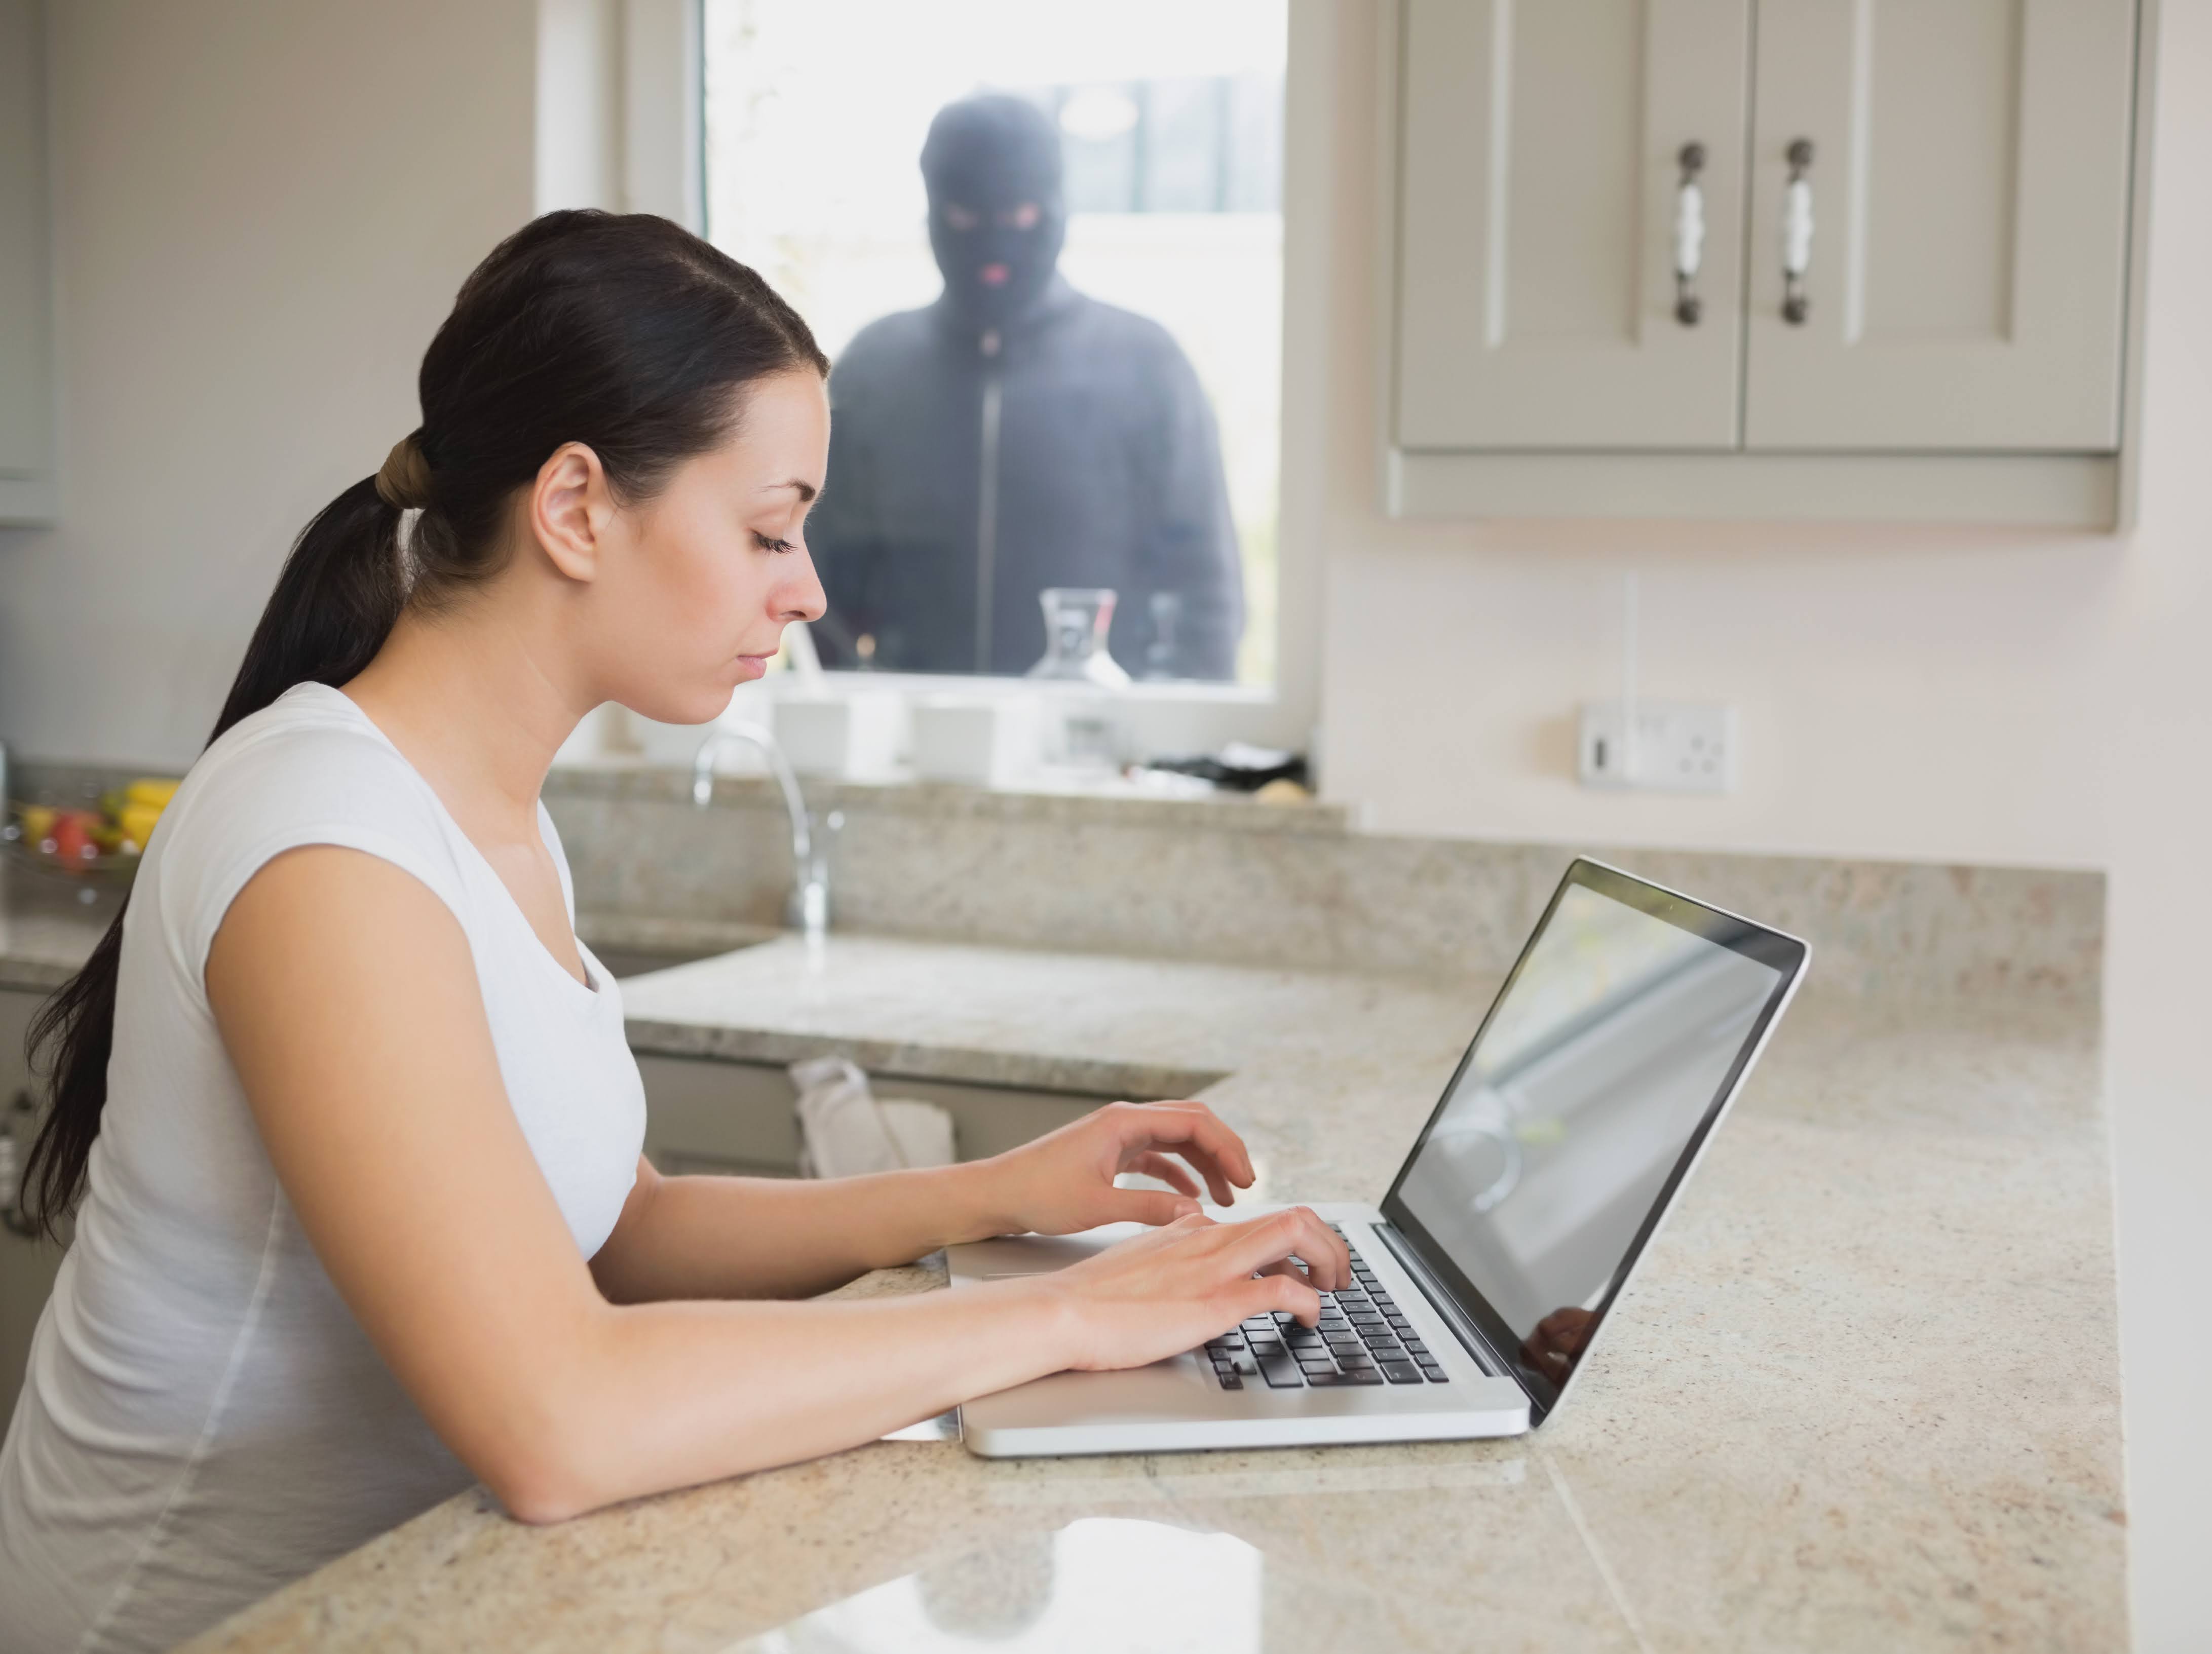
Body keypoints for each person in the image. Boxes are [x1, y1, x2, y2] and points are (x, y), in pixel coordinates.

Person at [0, 211, 1342, 1654]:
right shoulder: (324, 841)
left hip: (433, 1595)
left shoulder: (489, 813)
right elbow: (557, 1416)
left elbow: (622, 1231)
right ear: (575, 507)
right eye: (769, 528)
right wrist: (1074, 1322)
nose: (808, 586)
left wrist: (999, 1194)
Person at [806, 94, 1244, 679]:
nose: (994, 244)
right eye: (965, 218)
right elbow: (819, 584)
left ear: (1056, 209)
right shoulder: (873, 370)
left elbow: (1205, 590)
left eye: (1019, 218)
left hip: (1091, 746)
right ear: (935, 214)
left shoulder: (1145, 366)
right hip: (915, 736)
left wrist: (1179, 741)